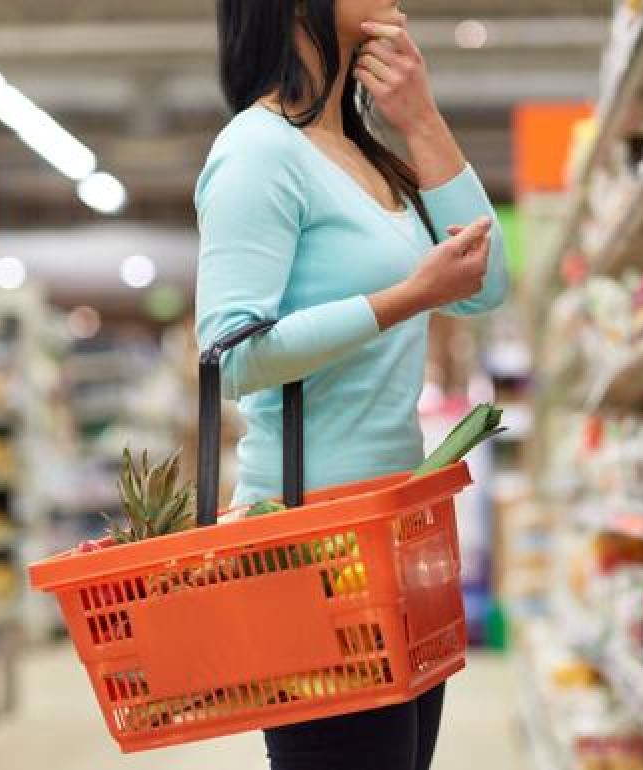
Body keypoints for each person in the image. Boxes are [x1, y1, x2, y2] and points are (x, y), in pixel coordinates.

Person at [195, 1, 508, 769]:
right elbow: (230, 356)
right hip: (311, 544)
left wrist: (422, 118)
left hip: (395, 528)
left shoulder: (364, 153)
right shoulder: (257, 151)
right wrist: (408, 297)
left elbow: (485, 283)